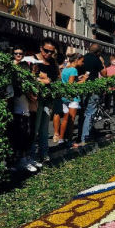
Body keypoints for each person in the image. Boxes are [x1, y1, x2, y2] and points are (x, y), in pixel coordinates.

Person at [31, 38, 61, 166]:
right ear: (41, 48)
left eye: (51, 52)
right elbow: (29, 78)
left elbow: (56, 78)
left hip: (48, 98)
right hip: (36, 99)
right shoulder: (33, 60)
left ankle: (44, 154)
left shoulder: (52, 62)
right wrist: (42, 79)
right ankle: (31, 156)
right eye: (46, 51)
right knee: (35, 128)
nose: (48, 54)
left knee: (44, 128)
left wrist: (45, 79)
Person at [75, 43, 106, 148]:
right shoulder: (96, 59)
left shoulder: (83, 58)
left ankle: (80, 136)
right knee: (90, 113)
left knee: (83, 114)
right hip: (93, 88)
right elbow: (104, 74)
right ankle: (85, 138)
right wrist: (102, 63)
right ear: (98, 52)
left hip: (82, 88)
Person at [56, 53, 87, 145]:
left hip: (64, 96)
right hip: (73, 97)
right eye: (82, 61)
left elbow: (67, 82)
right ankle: (69, 140)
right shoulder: (74, 70)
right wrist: (83, 80)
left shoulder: (65, 68)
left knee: (65, 119)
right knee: (71, 120)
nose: (83, 63)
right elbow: (71, 85)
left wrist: (78, 79)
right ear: (76, 60)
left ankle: (61, 138)